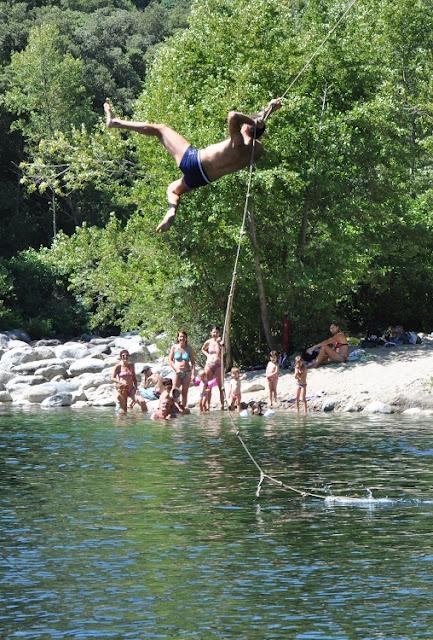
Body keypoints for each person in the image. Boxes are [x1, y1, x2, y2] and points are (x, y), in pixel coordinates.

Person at [104, 97, 282, 232]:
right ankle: (171, 210)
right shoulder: (257, 150)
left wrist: (253, 121)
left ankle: (115, 122)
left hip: (194, 161)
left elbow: (233, 116)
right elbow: (255, 129)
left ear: (245, 128)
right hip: (203, 178)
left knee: (161, 129)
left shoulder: (238, 141)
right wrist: (267, 111)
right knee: (173, 189)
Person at [111, 349, 147, 414]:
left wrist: (136, 388)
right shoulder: (118, 366)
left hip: (131, 389)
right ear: (121, 357)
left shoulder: (131, 365)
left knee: (142, 401)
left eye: (127, 355)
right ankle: (124, 422)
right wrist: (121, 383)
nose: (125, 357)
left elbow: (134, 379)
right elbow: (112, 378)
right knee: (124, 410)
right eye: (123, 355)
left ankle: (144, 419)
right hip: (123, 389)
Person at [168, 330, 195, 408]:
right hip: (177, 372)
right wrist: (176, 368)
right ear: (177, 338)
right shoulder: (174, 347)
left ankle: (183, 408)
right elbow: (170, 360)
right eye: (180, 336)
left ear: (186, 338)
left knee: (184, 392)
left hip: (187, 372)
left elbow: (193, 363)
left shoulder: (189, 348)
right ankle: (174, 407)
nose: (182, 338)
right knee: (174, 391)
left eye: (183, 336)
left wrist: (193, 374)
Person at [201, 326, 224, 409]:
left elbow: (223, 349)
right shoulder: (208, 342)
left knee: (220, 386)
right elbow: (203, 349)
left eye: (217, 332)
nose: (215, 334)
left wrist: (219, 343)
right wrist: (207, 355)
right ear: (211, 333)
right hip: (209, 364)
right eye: (214, 332)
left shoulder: (221, 341)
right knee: (209, 386)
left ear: (219, 333)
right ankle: (208, 405)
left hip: (218, 365)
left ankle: (222, 405)